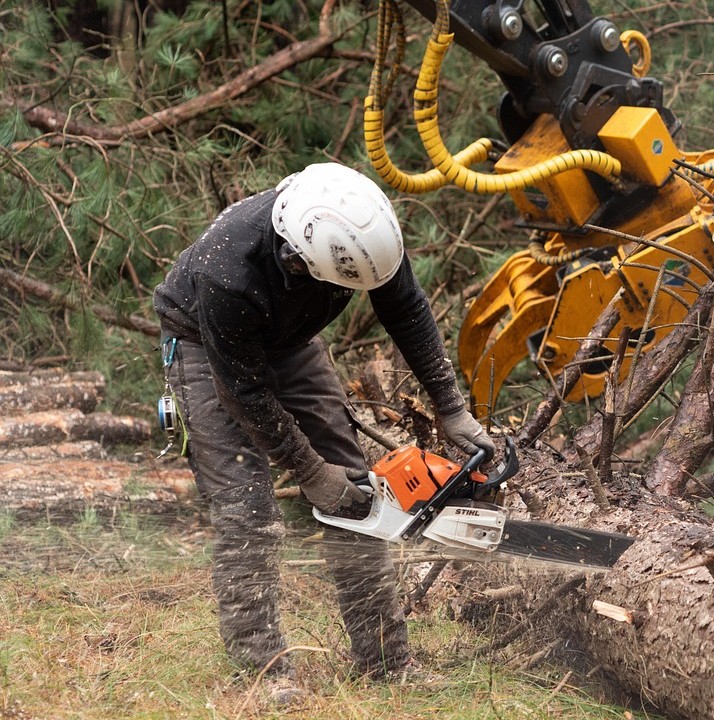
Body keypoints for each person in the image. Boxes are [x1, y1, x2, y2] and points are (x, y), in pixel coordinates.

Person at [153, 162, 496, 705]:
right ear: (296, 258)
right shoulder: (228, 268)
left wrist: (451, 408)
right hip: (205, 345)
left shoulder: (364, 236)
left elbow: (407, 310)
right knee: (246, 509)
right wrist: (309, 471)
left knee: (357, 492)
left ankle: (385, 659)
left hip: (290, 342)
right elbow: (243, 392)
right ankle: (265, 670)